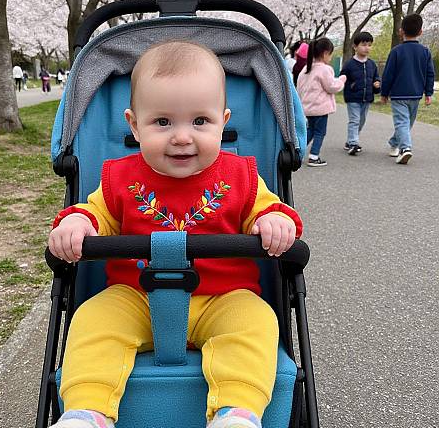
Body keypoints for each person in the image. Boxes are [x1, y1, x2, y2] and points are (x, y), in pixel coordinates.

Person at [48, 40, 303, 428]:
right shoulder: (120, 178)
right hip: (135, 297)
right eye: (162, 122)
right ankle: (87, 411)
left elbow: (269, 209)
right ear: (134, 124)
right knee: (92, 320)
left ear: (223, 120)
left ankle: (236, 413)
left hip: (224, 298)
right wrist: (78, 224)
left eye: (200, 121)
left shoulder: (242, 177)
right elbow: (95, 212)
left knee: (255, 323)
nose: (182, 137)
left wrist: (273, 221)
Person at [381, 13, 435, 164]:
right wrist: (428, 92)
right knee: (406, 122)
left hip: (399, 94)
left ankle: (394, 143)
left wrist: (384, 93)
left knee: (404, 123)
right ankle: (405, 148)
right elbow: (430, 74)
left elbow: (388, 75)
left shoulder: (396, 51)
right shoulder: (425, 52)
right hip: (415, 94)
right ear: (421, 32)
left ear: (401, 31)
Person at [296, 37, 346, 167]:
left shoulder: (306, 69)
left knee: (310, 130)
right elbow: (332, 87)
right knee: (320, 132)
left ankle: (297, 151)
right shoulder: (325, 69)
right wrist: (341, 80)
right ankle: (314, 156)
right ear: (325, 53)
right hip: (320, 108)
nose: (330, 58)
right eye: (330, 55)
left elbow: (299, 87)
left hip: (308, 108)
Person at [340, 31, 381, 155]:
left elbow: (376, 78)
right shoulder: (349, 64)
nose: (366, 48)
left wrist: (377, 85)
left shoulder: (372, 64)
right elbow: (342, 78)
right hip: (353, 98)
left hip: (367, 98)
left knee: (361, 121)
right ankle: (353, 143)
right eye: (363, 45)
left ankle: (350, 141)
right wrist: (348, 85)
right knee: (355, 120)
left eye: (369, 45)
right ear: (355, 46)